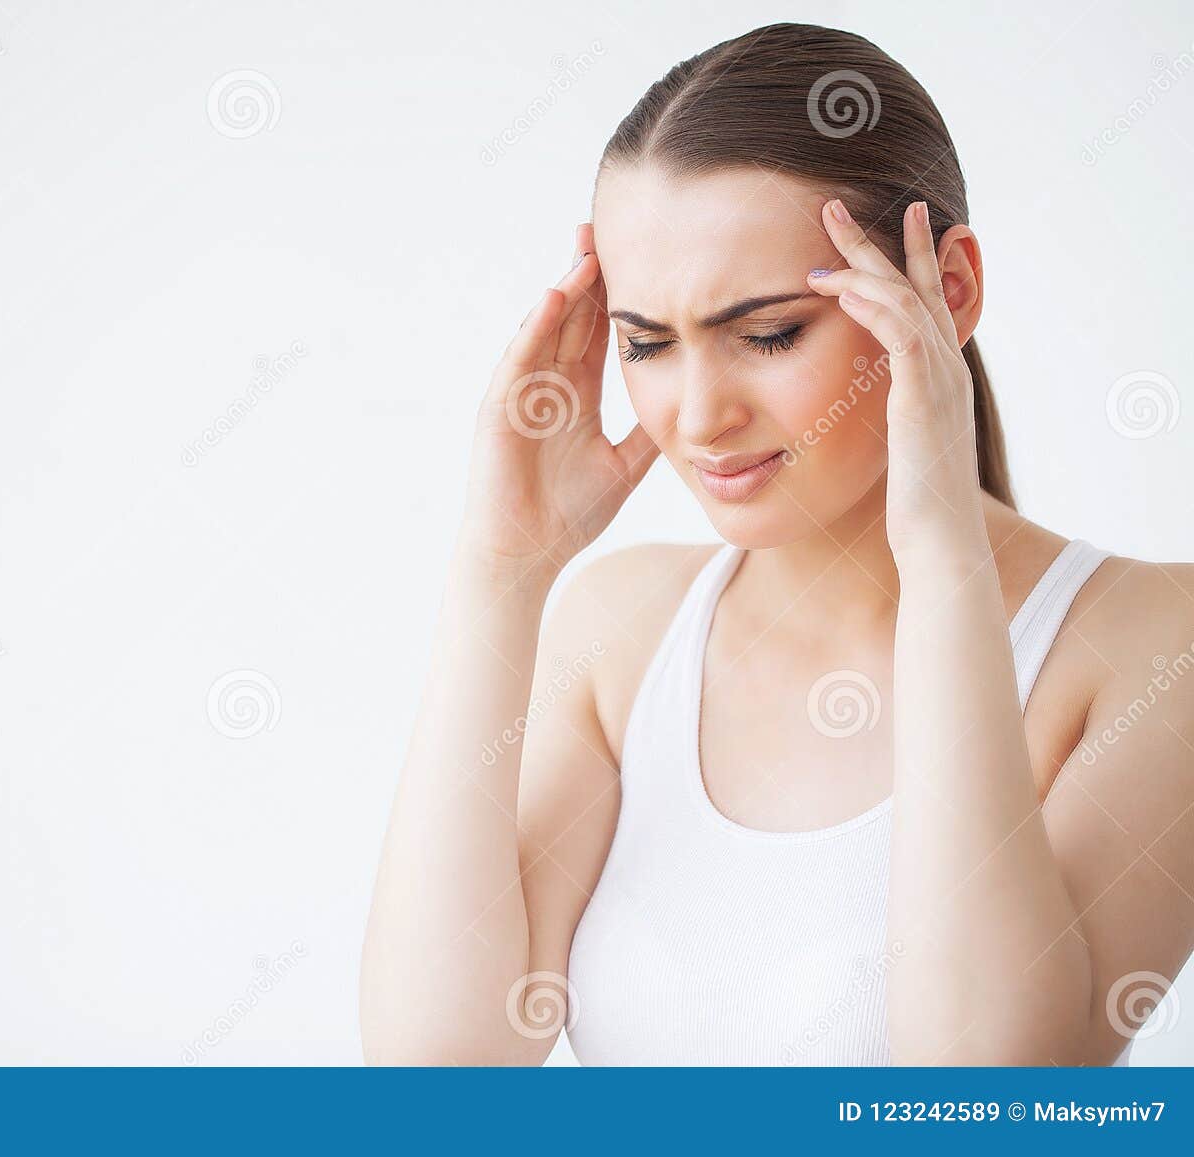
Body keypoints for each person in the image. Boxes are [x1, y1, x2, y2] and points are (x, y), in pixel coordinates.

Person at [360, 21, 1194, 1066]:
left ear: (952, 289)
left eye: (766, 334)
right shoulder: (621, 630)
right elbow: (436, 1074)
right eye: (646, 344)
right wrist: (501, 577)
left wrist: (943, 561)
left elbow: (989, 1093)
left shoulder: (1158, 643)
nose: (698, 416)